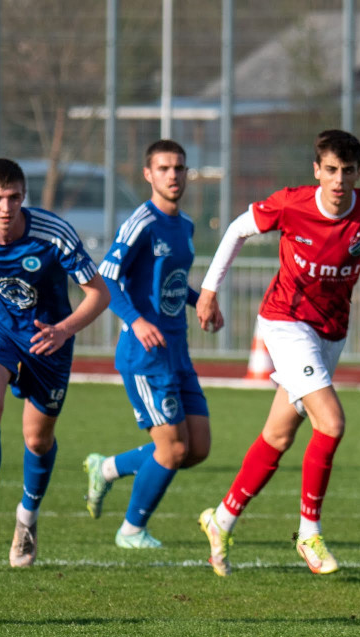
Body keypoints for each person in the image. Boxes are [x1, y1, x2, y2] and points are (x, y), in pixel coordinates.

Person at [194, 129, 360, 577]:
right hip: (284, 322)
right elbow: (238, 229)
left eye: (347, 171)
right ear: (317, 170)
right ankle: (308, 532)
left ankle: (220, 519)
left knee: (278, 435)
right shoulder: (292, 203)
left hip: (331, 333)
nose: (338, 180)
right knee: (332, 422)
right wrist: (209, 289)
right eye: (330, 170)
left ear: (358, 173)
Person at [0, 157, 110, 567]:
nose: (6, 207)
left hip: (48, 339)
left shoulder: (53, 234)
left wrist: (64, 330)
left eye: (15, 197)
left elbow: (99, 294)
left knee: (36, 439)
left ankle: (26, 520)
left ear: (24, 197)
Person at [82, 140, 222, 549]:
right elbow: (107, 276)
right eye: (164, 168)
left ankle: (107, 468)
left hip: (178, 350)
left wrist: (203, 302)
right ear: (148, 174)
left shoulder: (187, 226)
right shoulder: (141, 221)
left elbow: (174, 283)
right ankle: (131, 531)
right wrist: (137, 320)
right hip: (144, 355)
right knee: (173, 448)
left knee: (197, 448)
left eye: (179, 168)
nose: (173, 175)